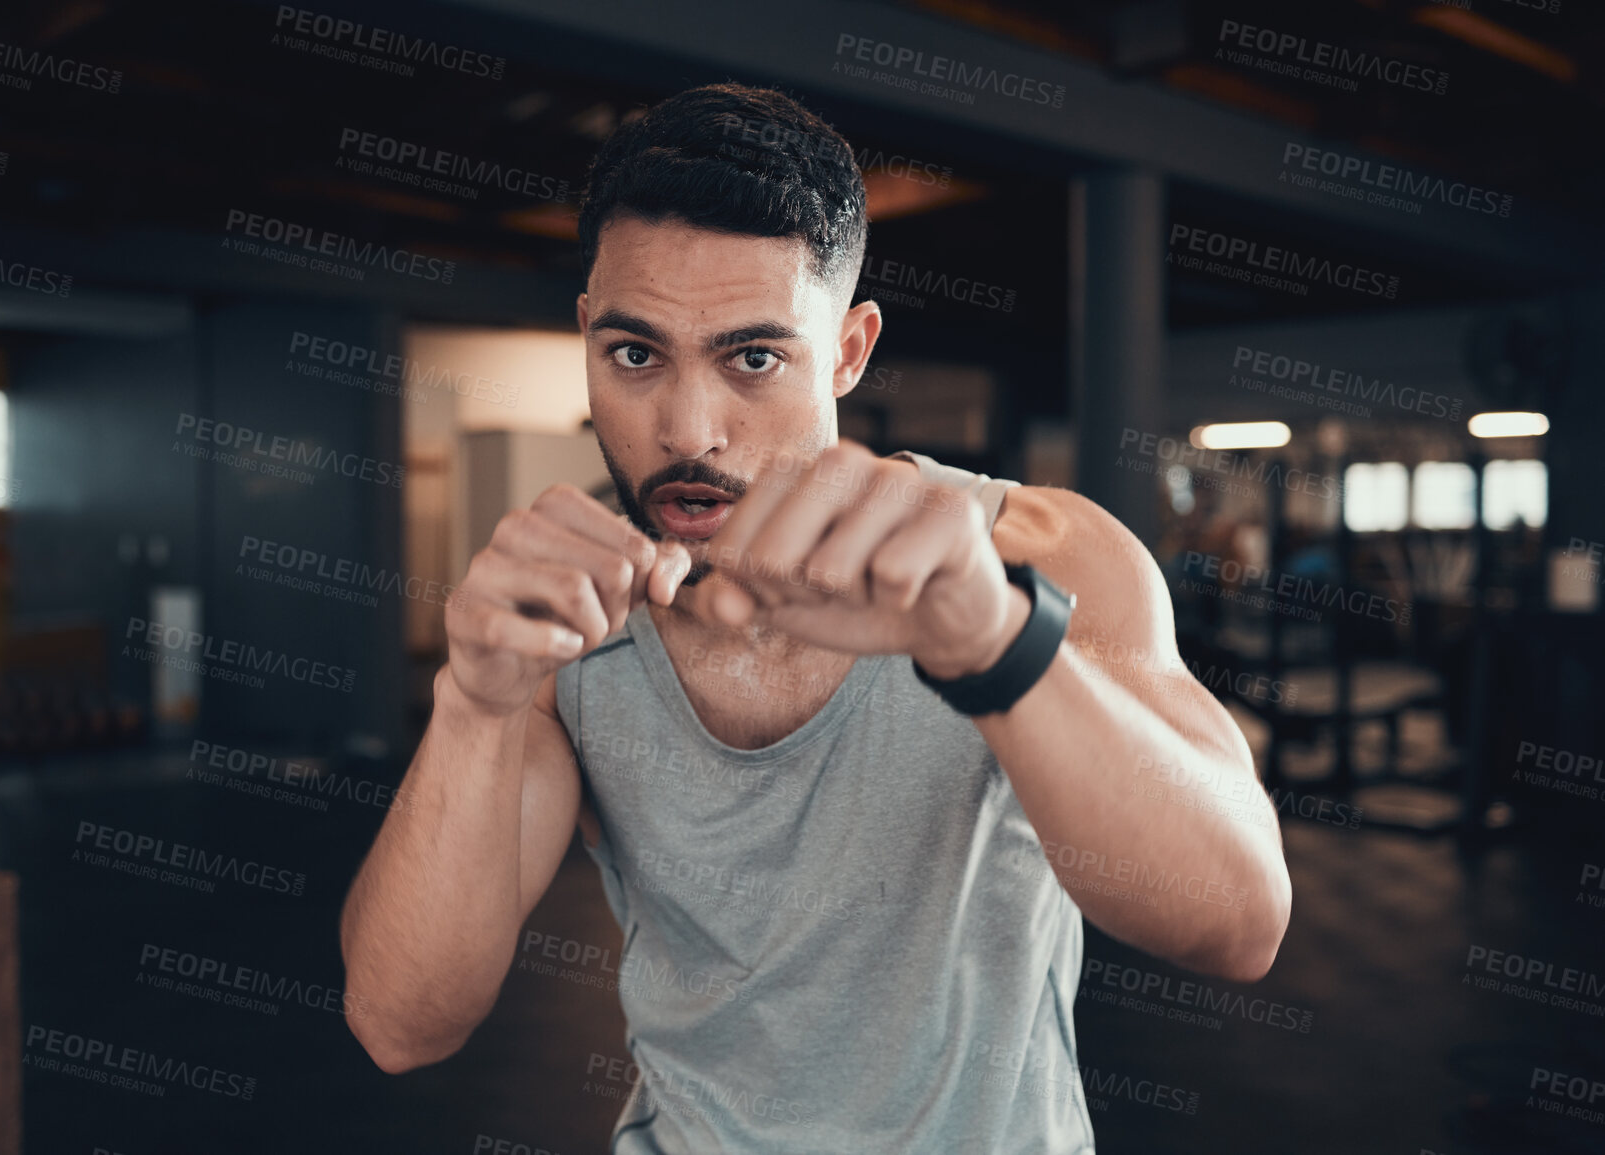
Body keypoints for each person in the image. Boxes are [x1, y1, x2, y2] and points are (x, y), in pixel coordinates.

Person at [340, 82, 1291, 1153]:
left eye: (754, 357)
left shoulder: (1037, 552)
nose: (688, 429)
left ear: (846, 349)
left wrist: (993, 648)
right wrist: (472, 704)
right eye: (635, 355)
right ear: (587, 341)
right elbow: (399, 1025)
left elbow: (1240, 923)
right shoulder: (566, 626)